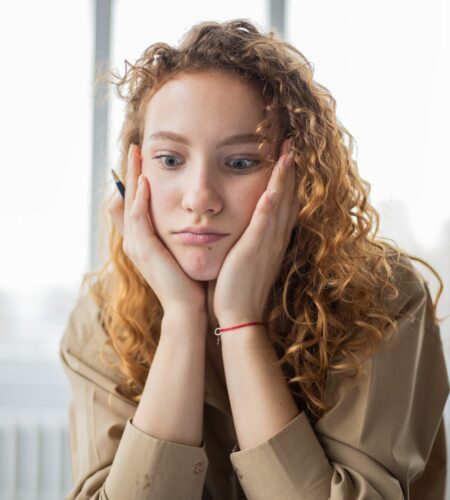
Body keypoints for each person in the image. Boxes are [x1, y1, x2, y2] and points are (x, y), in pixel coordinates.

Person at [59, 18, 449, 500]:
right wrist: (183, 317)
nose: (200, 198)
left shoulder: (382, 299)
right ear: (135, 175)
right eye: (171, 160)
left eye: (241, 162)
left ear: (298, 178)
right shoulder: (102, 317)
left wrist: (241, 324)